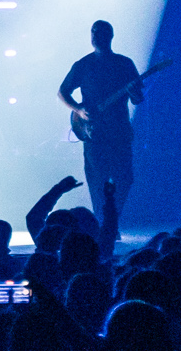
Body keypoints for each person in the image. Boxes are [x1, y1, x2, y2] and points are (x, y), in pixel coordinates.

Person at [58, 19, 145, 227]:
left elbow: (138, 98)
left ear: (110, 36)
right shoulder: (83, 65)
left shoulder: (124, 64)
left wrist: (134, 93)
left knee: (125, 179)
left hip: (120, 131)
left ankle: (111, 220)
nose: (96, 36)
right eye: (94, 32)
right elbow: (63, 92)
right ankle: (103, 223)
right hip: (94, 133)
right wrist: (78, 110)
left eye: (101, 32)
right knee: (97, 180)